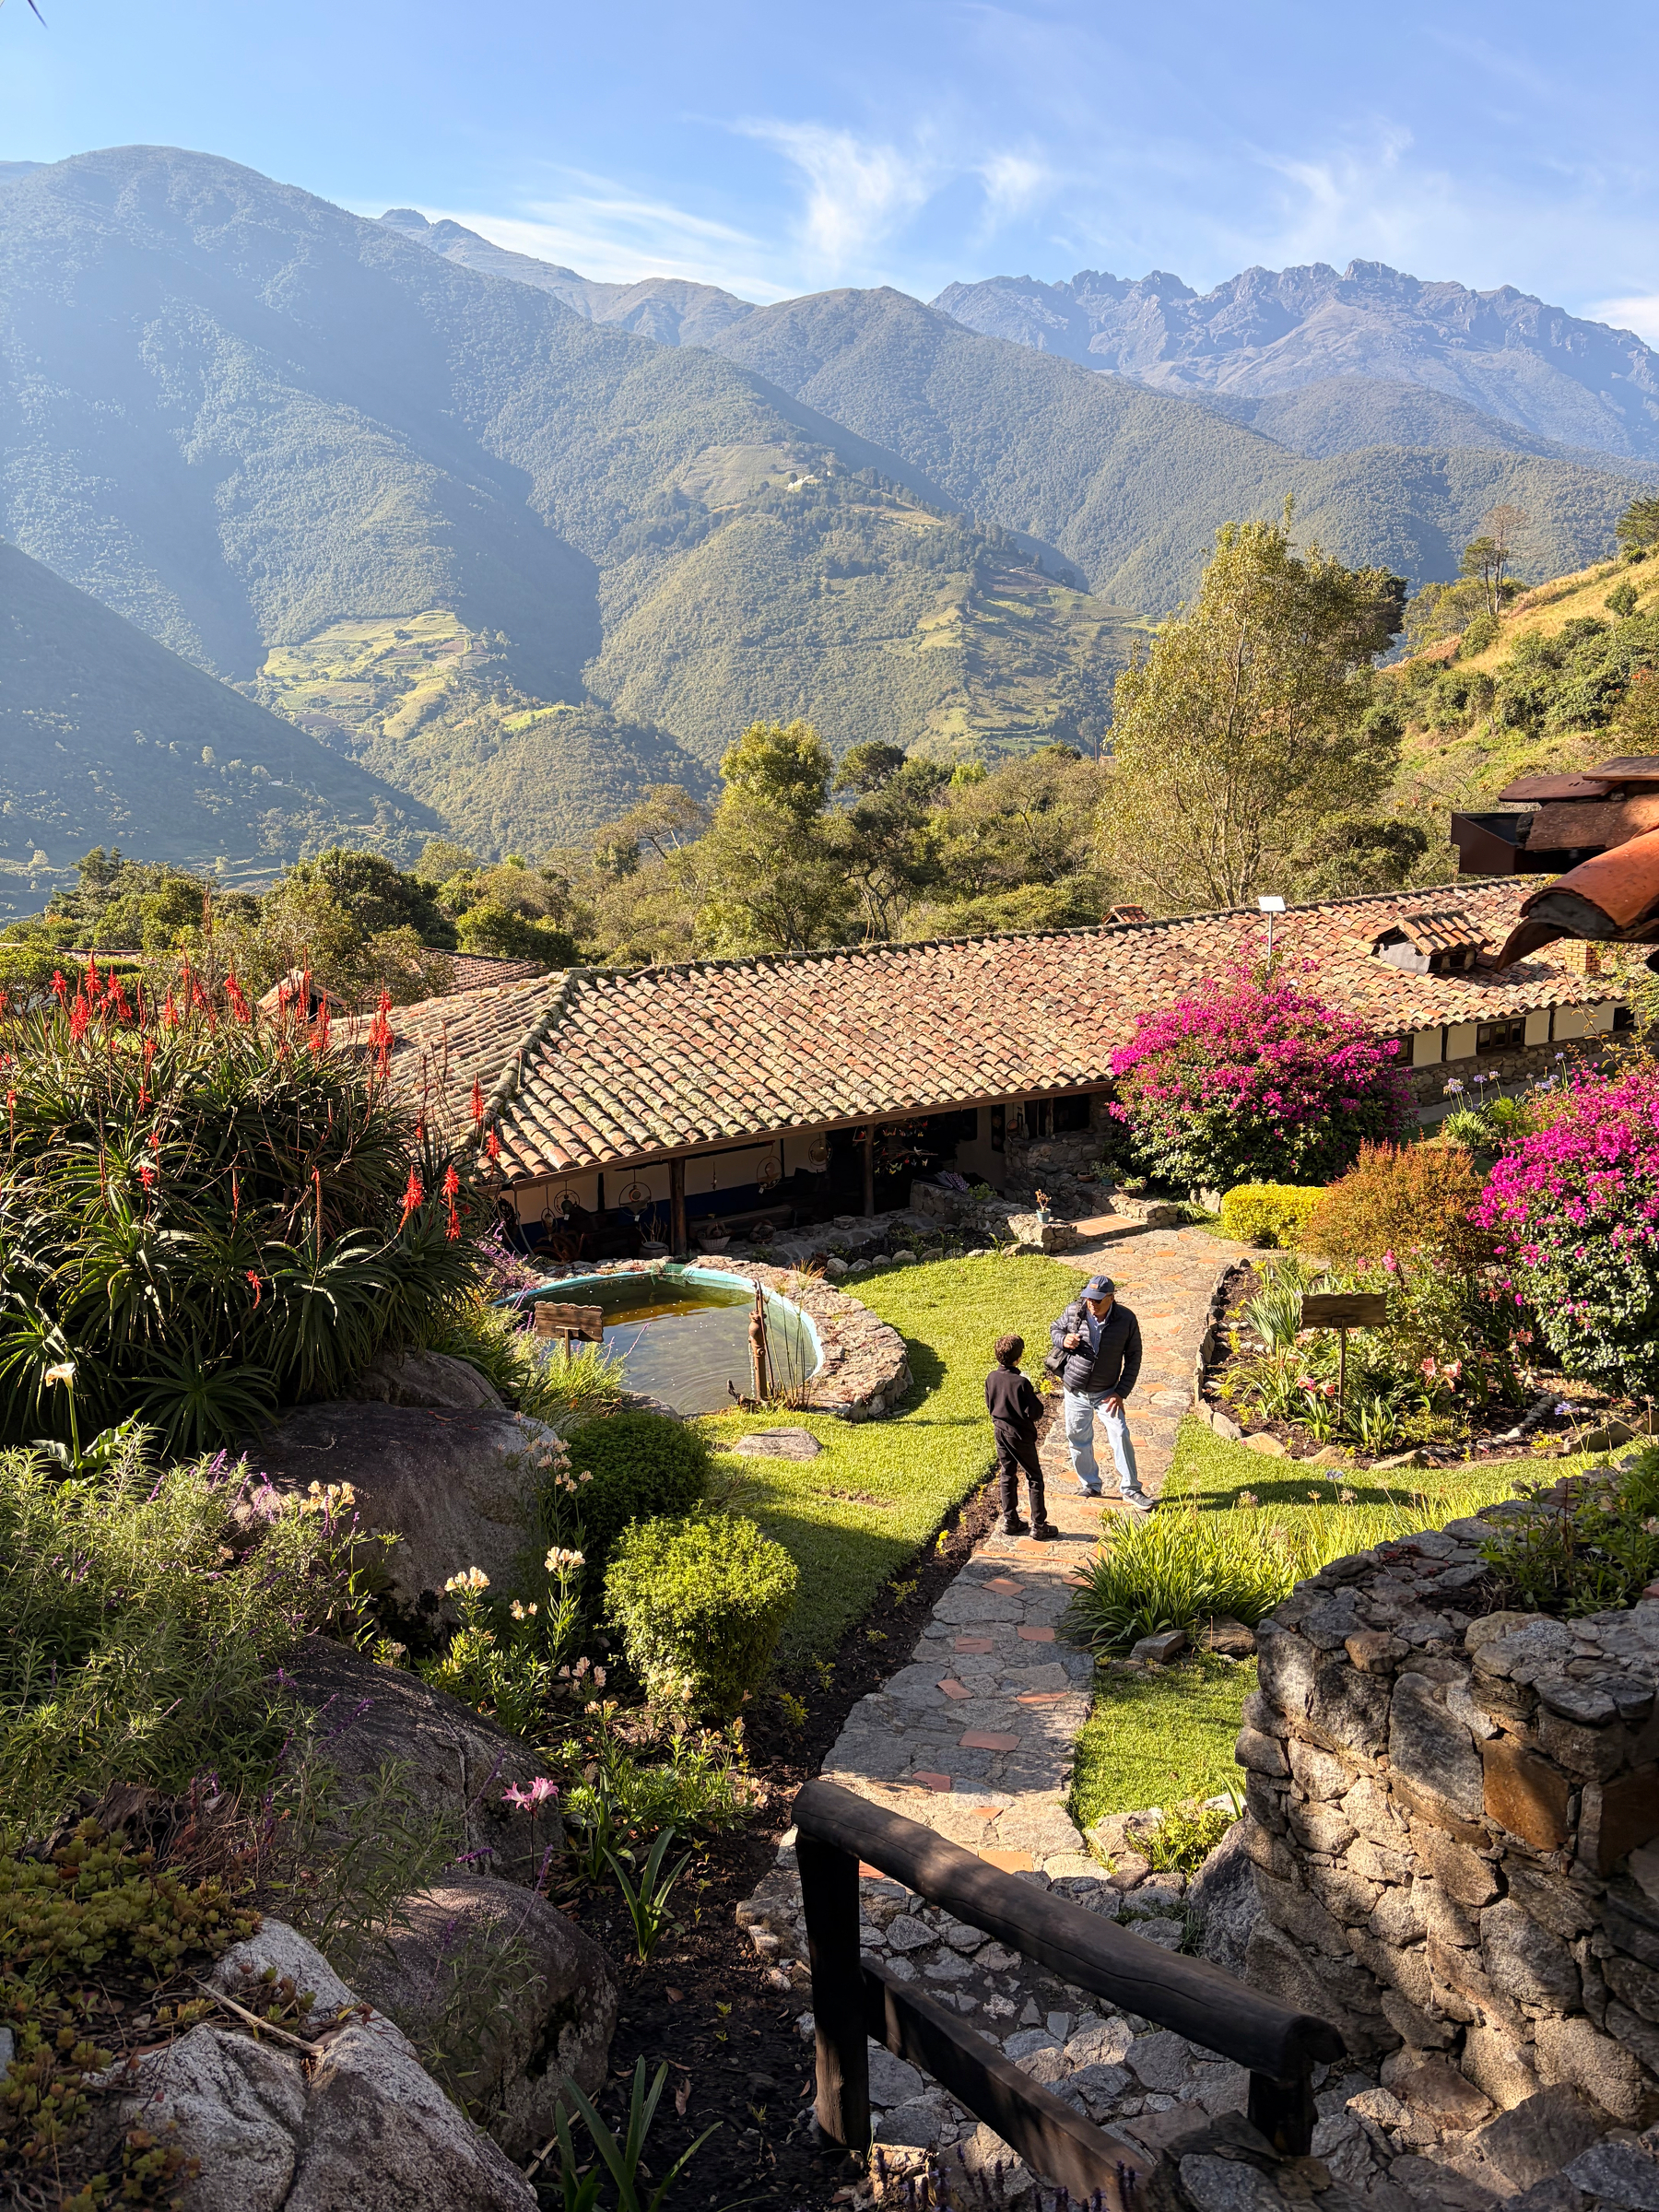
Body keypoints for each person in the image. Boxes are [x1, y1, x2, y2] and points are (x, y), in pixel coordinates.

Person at [1049, 1274, 1150, 1512]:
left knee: (1120, 1433)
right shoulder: (1076, 1310)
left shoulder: (1126, 1319)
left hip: (1107, 1393)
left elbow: (1134, 1356)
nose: (1091, 1304)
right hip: (1075, 1391)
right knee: (1078, 1439)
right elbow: (1055, 1328)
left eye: (1097, 1300)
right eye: (1088, 1298)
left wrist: (1121, 1392)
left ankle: (1131, 1489)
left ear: (1111, 1298)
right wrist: (1063, 1340)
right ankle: (1091, 1484)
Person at [983, 1335, 1053, 1539]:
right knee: (1034, 1476)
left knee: (1007, 1473)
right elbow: (1035, 1412)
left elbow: (990, 1404)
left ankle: (1010, 1520)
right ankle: (1039, 1524)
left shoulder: (991, 1378)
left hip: (1000, 1431)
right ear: (1019, 1358)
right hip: (1020, 1435)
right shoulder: (1021, 1383)